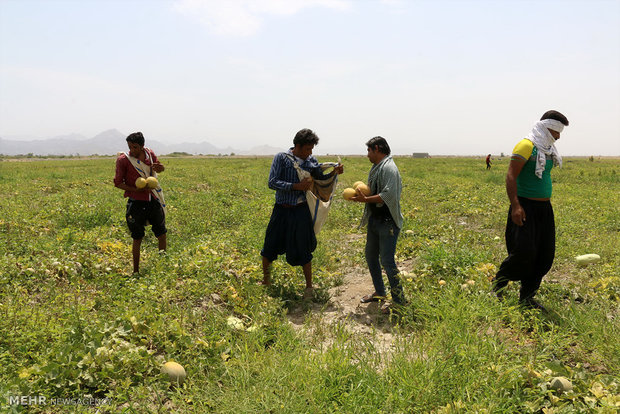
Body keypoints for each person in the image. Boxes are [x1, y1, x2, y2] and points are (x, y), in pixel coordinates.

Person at [493, 110, 569, 310]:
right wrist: (516, 206)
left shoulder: (548, 149)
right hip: (525, 206)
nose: (558, 136)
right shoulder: (526, 146)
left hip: (544, 209)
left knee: (545, 254)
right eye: (556, 131)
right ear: (545, 127)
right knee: (524, 252)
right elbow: (511, 176)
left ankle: (527, 297)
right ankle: (499, 282)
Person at [260, 128, 343, 296]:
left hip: (301, 211)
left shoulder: (312, 161)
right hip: (281, 210)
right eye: (307, 149)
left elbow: (320, 179)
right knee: (269, 246)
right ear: (297, 145)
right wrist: (295, 186)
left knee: (304, 247)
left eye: (312, 149)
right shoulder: (281, 158)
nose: (310, 152)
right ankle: (266, 281)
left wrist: (334, 172)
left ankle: (309, 287)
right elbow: (272, 182)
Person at [351, 136, 406, 313]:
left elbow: (389, 195)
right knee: (371, 256)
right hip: (375, 221)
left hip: (388, 222)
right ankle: (380, 292)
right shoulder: (377, 168)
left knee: (387, 261)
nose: (367, 155)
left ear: (377, 148)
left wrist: (365, 199)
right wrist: (363, 195)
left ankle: (399, 301)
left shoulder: (389, 168)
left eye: (369, 151)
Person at [113, 132, 167, 274]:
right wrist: (134, 189)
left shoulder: (150, 154)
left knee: (161, 233)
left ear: (142, 146)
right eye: (130, 147)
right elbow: (118, 183)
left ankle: (163, 267)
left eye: (135, 147)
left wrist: (160, 168)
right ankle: (136, 272)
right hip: (136, 202)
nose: (132, 150)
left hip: (152, 199)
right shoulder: (123, 160)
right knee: (137, 237)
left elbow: (159, 168)